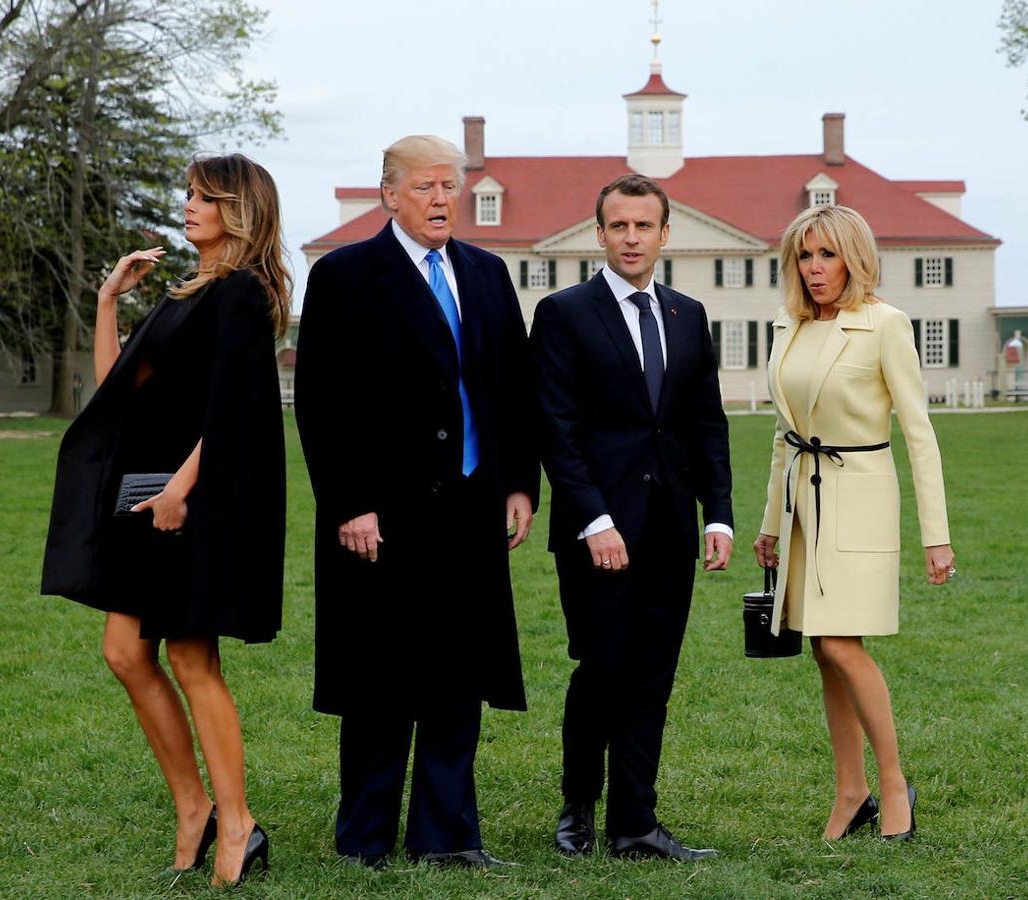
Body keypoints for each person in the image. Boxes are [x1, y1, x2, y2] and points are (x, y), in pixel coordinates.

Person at [42, 153, 290, 885]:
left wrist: (184, 489)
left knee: (190, 658)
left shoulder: (241, 295)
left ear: (237, 210)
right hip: (149, 497)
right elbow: (121, 388)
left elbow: (236, 409)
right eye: (187, 194)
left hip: (194, 500)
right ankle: (195, 807)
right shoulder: (186, 294)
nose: (188, 206)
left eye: (204, 197)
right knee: (124, 651)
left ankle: (237, 822)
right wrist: (108, 303)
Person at [294, 135, 539, 870]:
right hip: (382, 515)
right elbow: (321, 402)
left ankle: (448, 836)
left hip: (470, 506)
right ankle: (364, 838)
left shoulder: (488, 274)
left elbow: (511, 387)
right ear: (390, 195)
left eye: (450, 187)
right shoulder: (344, 276)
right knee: (380, 677)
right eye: (426, 187)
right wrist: (350, 503)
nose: (441, 200)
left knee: (457, 675)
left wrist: (520, 481)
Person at [530, 174, 734, 861]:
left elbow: (707, 423)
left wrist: (720, 516)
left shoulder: (687, 314)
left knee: (652, 677)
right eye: (619, 226)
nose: (631, 238)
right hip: (597, 534)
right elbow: (555, 429)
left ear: (664, 234)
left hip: (672, 527)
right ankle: (578, 805)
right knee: (602, 669)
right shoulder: (564, 313)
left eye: (643, 226)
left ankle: (635, 824)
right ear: (600, 233)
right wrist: (595, 521)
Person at [754, 204, 956, 842]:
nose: (815, 269)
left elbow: (920, 434)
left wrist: (937, 534)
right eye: (805, 256)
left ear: (855, 258)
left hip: (861, 497)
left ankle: (895, 784)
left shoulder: (884, 325)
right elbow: (785, 435)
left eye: (827, 255)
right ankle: (851, 791)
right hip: (800, 507)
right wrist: (769, 524)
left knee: (844, 644)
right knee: (822, 649)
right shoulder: (787, 325)